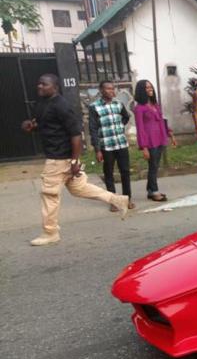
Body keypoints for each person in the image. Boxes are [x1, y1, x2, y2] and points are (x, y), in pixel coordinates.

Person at [22, 74, 129, 246]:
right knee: (79, 188)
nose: (39, 86)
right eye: (38, 83)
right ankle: (117, 200)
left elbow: (76, 135)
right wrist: (31, 126)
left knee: (49, 195)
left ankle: (50, 232)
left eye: (44, 84)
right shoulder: (41, 103)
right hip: (58, 157)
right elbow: (44, 124)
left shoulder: (62, 106)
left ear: (55, 87)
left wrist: (74, 161)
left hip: (59, 158)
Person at [89, 80, 134, 210]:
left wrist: (119, 127)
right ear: (101, 90)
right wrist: (97, 149)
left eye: (112, 88)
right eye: (108, 89)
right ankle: (114, 201)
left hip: (121, 144)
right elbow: (92, 129)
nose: (111, 91)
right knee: (109, 173)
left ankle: (127, 200)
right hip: (106, 146)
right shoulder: (94, 107)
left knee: (125, 171)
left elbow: (126, 117)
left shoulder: (118, 104)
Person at [133, 80, 177, 201]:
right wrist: (144, 147)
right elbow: (140, 128)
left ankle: (150, 191)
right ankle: (155, 191)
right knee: (153, 166)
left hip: (160, 139)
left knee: (155, 166)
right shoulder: (139, 109)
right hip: (150, 141)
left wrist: (170, 134)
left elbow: (162, 121)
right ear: (142, 90)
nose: (150, 89)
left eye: (150, 87)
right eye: (147, 87)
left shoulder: (155, 105)